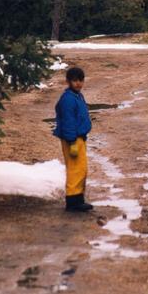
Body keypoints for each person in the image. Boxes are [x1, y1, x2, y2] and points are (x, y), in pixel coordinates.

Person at [53, 67, 93, 212]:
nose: (78, 83)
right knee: (75, 169)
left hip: (79, 138)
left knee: (81, 168)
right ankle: (73, 202)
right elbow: (68, 122)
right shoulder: (68, 99)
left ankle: (78, 198)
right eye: (75, 80)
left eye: (80, 80)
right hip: (73, 139)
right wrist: (71, 141)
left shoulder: (77, 96)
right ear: (68, 81)